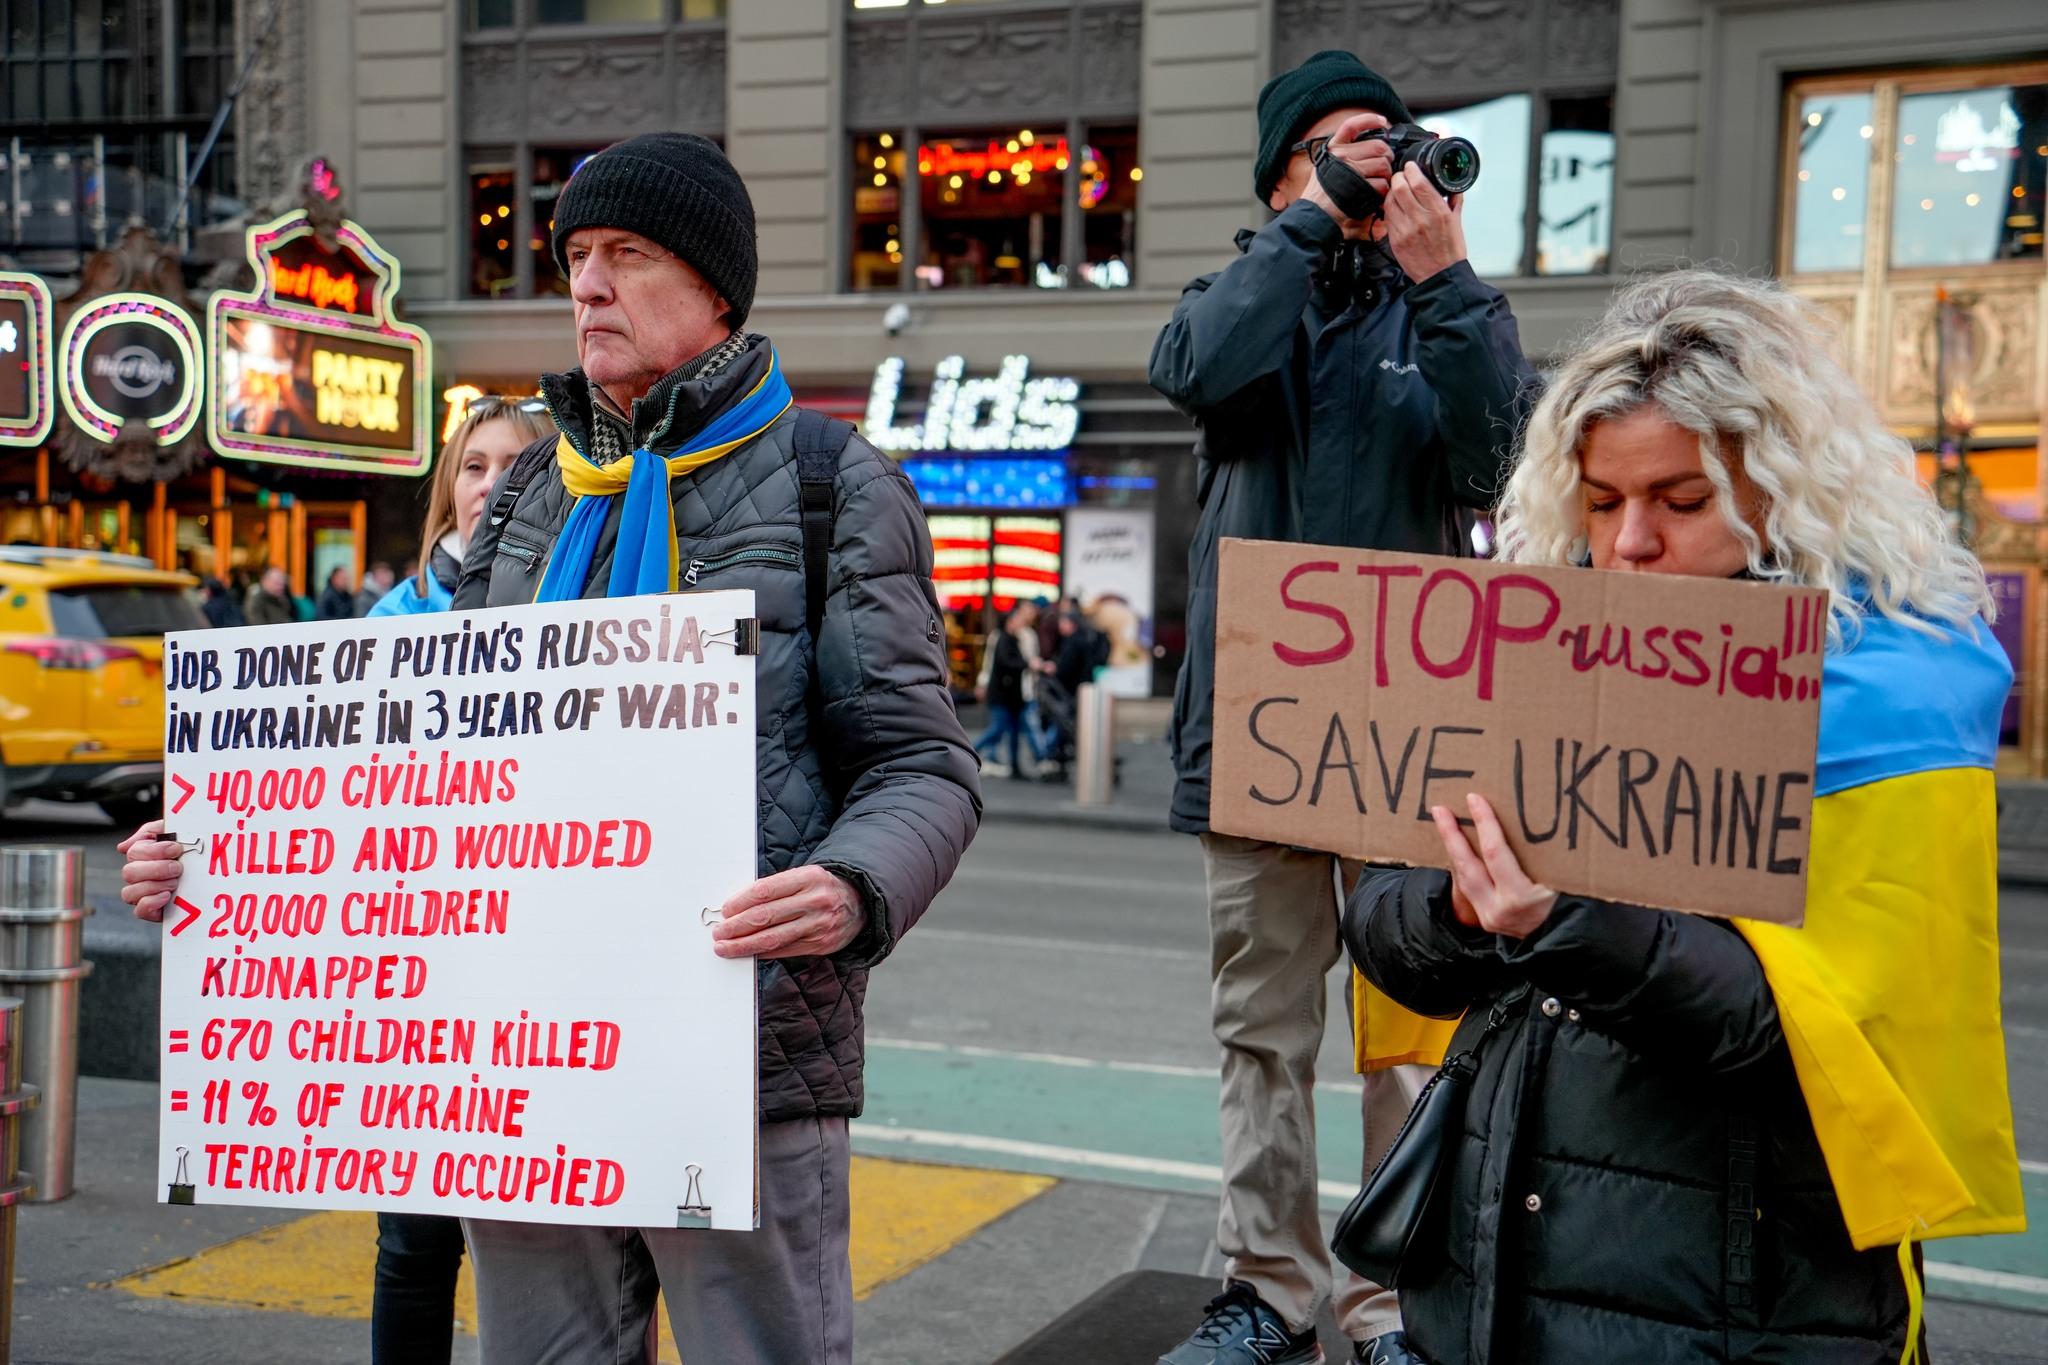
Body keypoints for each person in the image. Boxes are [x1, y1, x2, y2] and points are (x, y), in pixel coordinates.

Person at [124, 131, 981, 1365]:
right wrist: (214, 856)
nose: (586, 283)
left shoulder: (829, 484)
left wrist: (853, 889)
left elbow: (921, 767)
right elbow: (420, 769)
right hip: (523, 1061)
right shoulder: (529, 499)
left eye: (627, 255)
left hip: (748, 1056)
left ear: (715, 288)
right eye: (576, 255)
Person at [1344, 269, 2025, 1363]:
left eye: (1680, 500)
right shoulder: (1528, 654)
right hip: (1489, 1269)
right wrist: (1462, 913)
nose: (1628, 547)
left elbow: (1810, 1048)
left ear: (1783, 489)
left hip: (1738, 1289)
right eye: (1602, 504)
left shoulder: (1890, 698)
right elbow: (1385, 930)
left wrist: (1560, 921)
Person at [1147, 49, 1539, 1365]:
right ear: (1282, 179)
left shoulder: (1442, 315)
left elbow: (1503, 460)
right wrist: (1310, 224)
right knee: (1259, 1035)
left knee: (1407, 1045)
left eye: (1394, 142)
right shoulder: (1247, 302)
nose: (1381, 163)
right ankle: (1267, 1287)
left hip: (1408, 750)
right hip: (1257, 743)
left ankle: (1386, 1310)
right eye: (1344, 145)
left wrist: (1444, 279)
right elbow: (1196, 368)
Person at [369, 398, 556, 618]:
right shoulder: (394, 616)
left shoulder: (592, 595)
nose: (491, 485)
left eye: (516, 470)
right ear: (450, 494)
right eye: (474, 466)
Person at [973, 602, 1037, 777]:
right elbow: (1003, 663)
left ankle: (1015, 765)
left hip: (1013, 695)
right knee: (999, 728)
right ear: (1010, 621)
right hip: (1002, 694)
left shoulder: (1017, 638)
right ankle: (969, 753)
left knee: (1014, 731)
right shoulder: (1003, 639)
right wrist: (1028, 664)